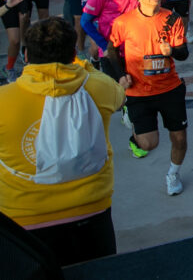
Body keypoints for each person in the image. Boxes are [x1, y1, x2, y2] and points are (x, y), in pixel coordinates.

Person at [0, 17, 125, 266]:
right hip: (92, 210)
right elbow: (120, 98)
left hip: (23, 219)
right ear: (73, 53)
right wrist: (83, 67)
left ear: (26, 54)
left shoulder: (4, 100)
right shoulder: (100, 88)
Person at [105, 0, 189, 193]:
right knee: (148, 144)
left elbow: (183, 53)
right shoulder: (124, 22)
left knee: (179, 138)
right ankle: (136, 138)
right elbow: (111, 51)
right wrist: (120, 75)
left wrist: (171, 51)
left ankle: (173, 174)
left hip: (170, 88)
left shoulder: (172, 18)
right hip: (139, 93)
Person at [0, 0, 25, 82]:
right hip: (7, 4)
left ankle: (9, 68)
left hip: (9, 1)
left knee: (15, 40)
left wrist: (20, 8)